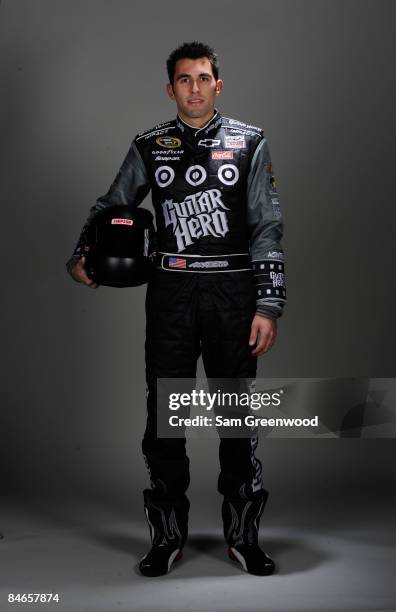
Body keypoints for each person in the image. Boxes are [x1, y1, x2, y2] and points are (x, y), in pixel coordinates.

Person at [66, 41, 286, 577]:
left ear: (219, 84)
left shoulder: (249, 141)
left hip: (233, 295)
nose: (195, 87)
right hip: (171, 294)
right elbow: (112, 207)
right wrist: (83, 254)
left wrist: (269, 302)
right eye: (184, 79)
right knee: (166, 416)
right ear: (171, 89)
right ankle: (167, 537)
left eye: (204, 77)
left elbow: (266, 225)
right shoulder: (150, 144)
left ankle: (243, 537)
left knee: (235, 414)